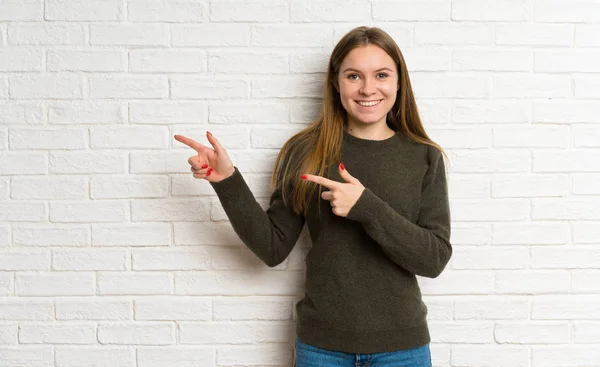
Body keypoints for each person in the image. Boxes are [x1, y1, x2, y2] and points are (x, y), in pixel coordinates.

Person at [174, 26, 452, 367]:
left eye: (381, 74)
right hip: (322, 349)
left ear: (398, 82)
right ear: (336, 83)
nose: (368, 88)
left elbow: (434, 260)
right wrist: (227, 181)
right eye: (354, 76)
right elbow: (272, 249)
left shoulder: (423, 156)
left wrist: (367, 207)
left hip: (402, 348)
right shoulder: (306, 150)